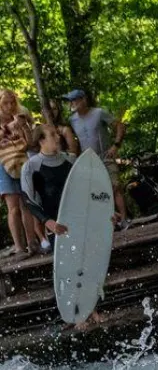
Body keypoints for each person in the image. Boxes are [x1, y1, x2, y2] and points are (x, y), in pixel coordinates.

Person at [63, 89, 130, 228]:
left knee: (115, 186)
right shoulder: (72, 119)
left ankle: (124, 219)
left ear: (83, 100)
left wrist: (116, 145)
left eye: (75, 100)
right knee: (98, 192)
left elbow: (120, 126)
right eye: (70, 101)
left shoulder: (98, 113)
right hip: (89, 160)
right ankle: (109, 222)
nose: (72, 103)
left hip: (105, 155)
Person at [19, 124, 75, 255]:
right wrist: (47, 221)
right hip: (56, 225)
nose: (58, 137)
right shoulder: (30, 167)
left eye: (57, 133)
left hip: (79, 219)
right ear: (41, 140)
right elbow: (28, 200)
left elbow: (87, 189)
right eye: (52, 134)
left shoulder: (71, 159)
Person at [1, 90, 38, 256]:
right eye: (5, 103)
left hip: (22, 162)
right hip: (3, 165)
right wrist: (9, 129)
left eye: (12, 102)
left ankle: (32, 244)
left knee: (26, 204)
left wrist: (24, 126)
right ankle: (19, 247)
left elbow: (30, 143)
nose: (9, 106)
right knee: (13, 207)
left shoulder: (19, 116)